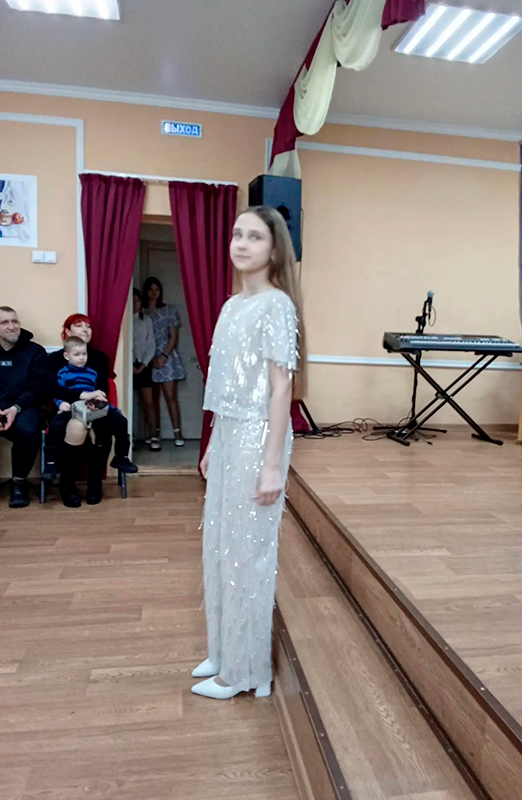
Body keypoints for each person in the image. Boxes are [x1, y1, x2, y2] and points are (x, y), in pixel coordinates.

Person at [191, 206, 305, 700]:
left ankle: (247, 671)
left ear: (274, 249)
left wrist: (272, 464)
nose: (241, 243)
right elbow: (224, 386)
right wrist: (214, 443)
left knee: (247, 555)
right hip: (230, 435)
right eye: (237, 234)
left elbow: (281, 388)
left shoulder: (277, 305)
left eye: (254, 236)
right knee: (219, 547)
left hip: (260, 437)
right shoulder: (230, 306)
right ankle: (224, 651)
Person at [45, 314, 137, 507]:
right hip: (66, 407)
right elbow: (53, 389)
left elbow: (102, 387)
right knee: (77, 428)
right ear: (67, 331)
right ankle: (67, 486)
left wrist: (94, 399)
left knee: (102, 428)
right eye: (79, 326)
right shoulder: (55, 359)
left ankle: (95, 485)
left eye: (88, 326)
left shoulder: (99, 358)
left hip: (94, 407)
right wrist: (83, 396)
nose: (85, 329)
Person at [0, 306, 47, 508]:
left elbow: (38, 389)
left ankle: (19, 482)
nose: (12, 326)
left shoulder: (35, 352)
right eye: (5, 322)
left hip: (24, 406)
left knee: (28, 429)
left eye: (15, 321)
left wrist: (15, 408)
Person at [142, 277, 186, 451]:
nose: (154, 293)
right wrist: (150, 358)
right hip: (148, 359)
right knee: (152, 400)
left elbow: (174, 337)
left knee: (170, 397)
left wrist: (164, 355)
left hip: (167, 357)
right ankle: (155, 433)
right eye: (150, 289)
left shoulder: (169, 310)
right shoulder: (142, 312)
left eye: (157, 289)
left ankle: (177, 433)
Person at [132, 288, 157, 442]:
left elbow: (151, 345)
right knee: (130, 402)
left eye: (137, 301)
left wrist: (143, 365)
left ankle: (153, 435)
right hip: (129, 364)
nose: (134, 304)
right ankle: (131, 436)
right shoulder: (125, 321)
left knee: (148, 401)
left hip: (144, 364)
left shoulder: (146, 320)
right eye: (132, 301)